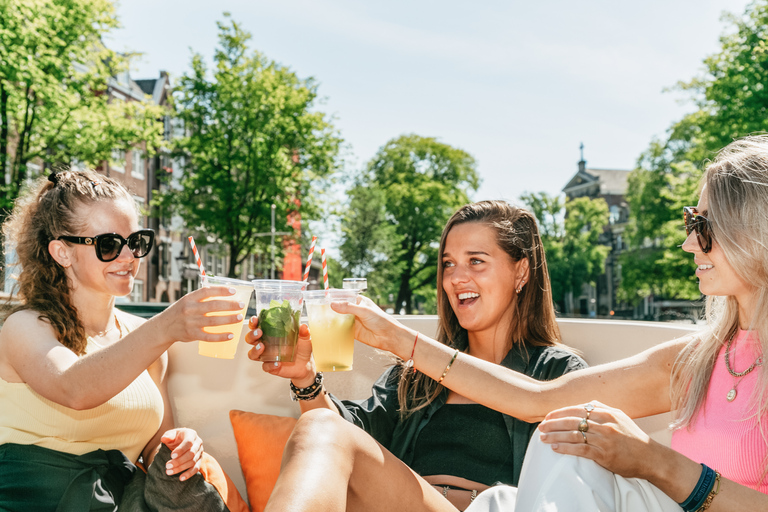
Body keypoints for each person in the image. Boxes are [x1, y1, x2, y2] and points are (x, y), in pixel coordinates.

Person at [263, 135, 768, 511]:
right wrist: (309, 379)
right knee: (321, 431)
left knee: (565, 436)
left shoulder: (552, 367)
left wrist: (496, 500)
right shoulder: (696, 358)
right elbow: (534, 405)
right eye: (447, 263)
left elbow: (537, 405)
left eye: (699, 226)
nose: (686, 243)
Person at [246, 200, 588, 511]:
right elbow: (345, 438)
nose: (456, 278)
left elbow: (573, 487)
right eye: (448, 264)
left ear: (521, 272)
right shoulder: (415, 374)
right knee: (318, 424)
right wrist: (304, 377)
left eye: (476, 261)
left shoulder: (557, 374)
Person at [0, 169, 246, 511]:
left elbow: (155, 446)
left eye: (137, 241)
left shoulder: (141, 339)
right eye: (109, 244)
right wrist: (164, 327)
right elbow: (74, 389)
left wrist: (180, 445)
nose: (129, 257)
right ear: (62, 252)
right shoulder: (24, 327)